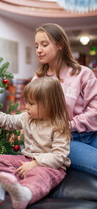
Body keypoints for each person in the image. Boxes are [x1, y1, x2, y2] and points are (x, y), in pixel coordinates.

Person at [0, 77, 71, 209]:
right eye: (26, 102)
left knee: (40, 176)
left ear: (48, 105)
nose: (26, 106)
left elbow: (58, 156)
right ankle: (18, 186)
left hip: (50, 167)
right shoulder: (27, 117)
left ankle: (25, 194)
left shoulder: (59, 126)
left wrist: (35, 163)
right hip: (26, 160)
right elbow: (9, 121)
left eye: (31, 104)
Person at [33, 23, 97, 176]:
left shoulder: (84, 74)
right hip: (65, 141)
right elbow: (33, 114)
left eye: (44, 44)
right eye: (36, 46)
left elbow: (95, 111)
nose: (39, 50)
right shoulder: (38, 80)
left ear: (60, 44)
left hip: (91, 133)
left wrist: (70, 124)